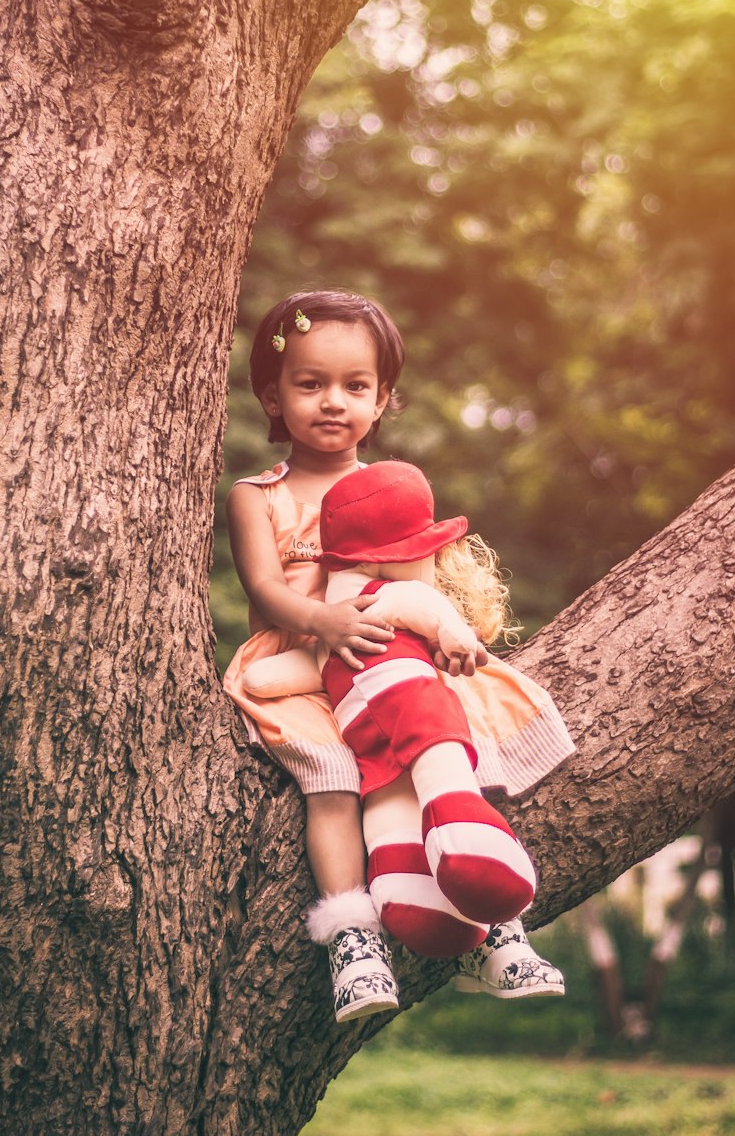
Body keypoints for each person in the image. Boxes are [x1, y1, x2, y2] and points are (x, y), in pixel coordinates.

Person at [223, 290, 575, 1020]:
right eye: (309, 383)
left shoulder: (387, 490)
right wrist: (324, 620)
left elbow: (415, 585)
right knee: (335, 774)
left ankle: (488, 925)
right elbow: (263, 589)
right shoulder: (257, 495)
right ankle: (354, 938)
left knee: (443, 752)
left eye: (356, 387)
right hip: (299, 663)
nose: (333, 402)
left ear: (384, 399)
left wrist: (436, 634)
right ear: (272, 394)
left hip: (388, 656)